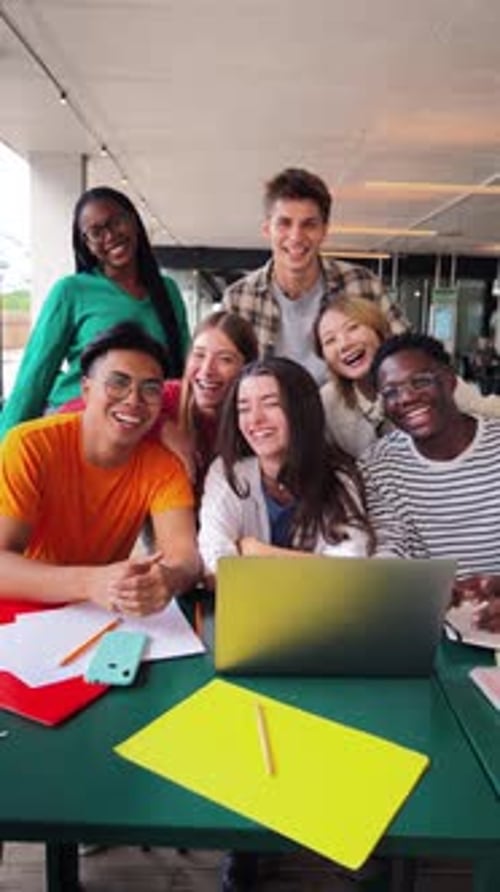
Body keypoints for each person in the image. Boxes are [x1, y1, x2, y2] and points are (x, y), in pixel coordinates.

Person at [0, 322, 200, 614]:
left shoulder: (164, 467)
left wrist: (169, 578)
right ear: (86, 389)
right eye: (118, 383)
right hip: (20, 612)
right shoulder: (30, 445)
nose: (133, 400)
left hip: (101, 614)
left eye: (150, 389)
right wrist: (90, 582)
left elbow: (185, 557)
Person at [0, 186, 189, 438]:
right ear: (86, 244)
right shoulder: (71, 291)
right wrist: (5, 442)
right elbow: (35, 374)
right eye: (96, 232)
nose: (110, 236)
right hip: (77, 419)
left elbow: (184, 365)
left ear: (133, 221)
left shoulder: (167, 291)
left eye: (117, 222)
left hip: (141, 421)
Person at [358, 332, 500, 632]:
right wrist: (423, 591)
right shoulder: (378, 465)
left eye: (420, 381)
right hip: (431, 628)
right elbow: (388, 547)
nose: (406, 397)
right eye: (391, 392)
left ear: (449, 381)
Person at [198, 356, 373, 581]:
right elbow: (216, 566)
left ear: (302, 410)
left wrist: (255, 551)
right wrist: (313, 566)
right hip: (248, 610)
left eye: (271, 404)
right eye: (244, 408)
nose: (255, 419)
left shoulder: (338, 475)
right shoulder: (227, 471)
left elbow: (351, 569)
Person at [223, 167, 400, 385]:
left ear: (324, 230)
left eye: (309, 224)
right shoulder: (238, 299)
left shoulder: (363, 285)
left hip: (352, 415)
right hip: (273, 417)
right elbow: (229, 381)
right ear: (267, 229)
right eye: (284, 223)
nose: (296, 236)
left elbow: (403, 353)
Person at [315, 293, 500, 457]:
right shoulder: (328, 401)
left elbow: (486, 409)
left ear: (379, 331)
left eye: (352, 328)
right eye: (330, 340)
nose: (344, 344)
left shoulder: (427, 379)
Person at [157, 310, 258, 499]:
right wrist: (163, 428)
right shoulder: (168, 396)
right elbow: (90, 411)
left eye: (225, 359)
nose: (207, 370)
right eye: (199, 355)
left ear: (247, 369)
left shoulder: (254, 417)